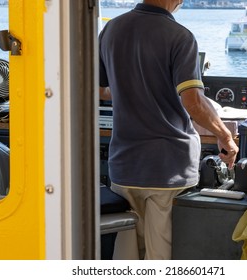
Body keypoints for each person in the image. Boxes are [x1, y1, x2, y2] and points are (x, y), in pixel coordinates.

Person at [98, 0, 238, 260]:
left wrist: (130, 90)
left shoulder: (111, 30)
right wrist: (225, 136)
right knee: (160, 255)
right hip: (167, 169)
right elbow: (193, 101)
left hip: (124, 167)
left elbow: (98, 89)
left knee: (126, 254)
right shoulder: (180, 37)